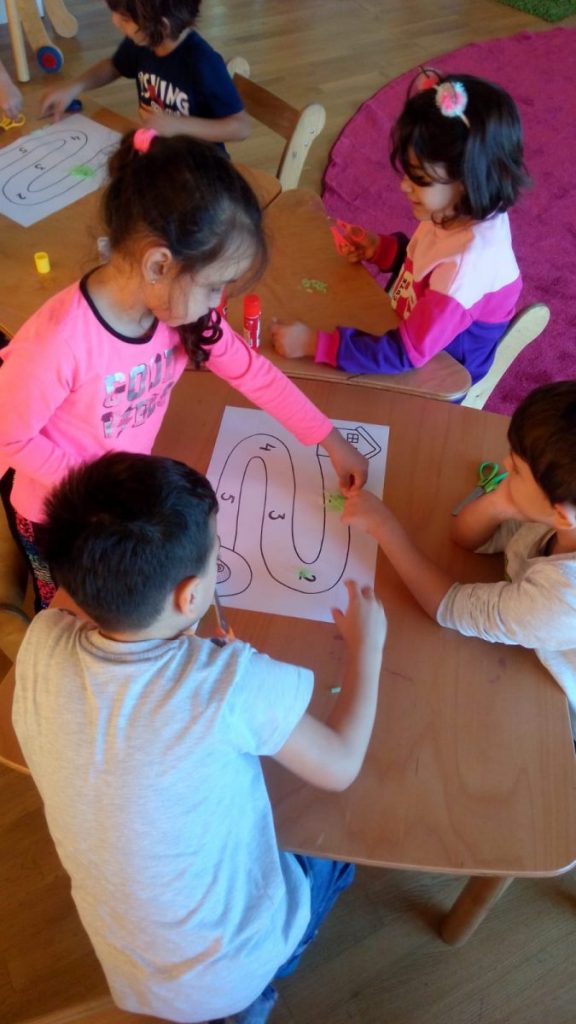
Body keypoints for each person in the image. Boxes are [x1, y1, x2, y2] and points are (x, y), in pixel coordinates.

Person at [12, 450, 387, 1023]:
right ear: (190, 596)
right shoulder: (229, 683)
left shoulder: (41, 641)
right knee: (336, 847)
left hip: (133, 973)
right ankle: (253, 999)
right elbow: (340, 765)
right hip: (231, 971)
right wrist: (368, 649)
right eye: (217, 555)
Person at [0, 130, 366, 610]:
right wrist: (105, 485)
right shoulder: (59, 341)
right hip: (58, 514)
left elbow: (253, 373)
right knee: (68, 614)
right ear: (158, 265)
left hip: (121, 504)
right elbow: (8, 438)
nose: (217, 304)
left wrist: (330, 439)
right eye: (214, 287)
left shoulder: (181, 312)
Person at [342, 381, 576, 735]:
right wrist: (499, 502)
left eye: (516, 468)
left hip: (553, 706)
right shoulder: (556, 514)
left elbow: (448, 607)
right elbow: (467, 539)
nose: (504, 463)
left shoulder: (559, 601)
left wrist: (384, 527)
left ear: (560, 514)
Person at [271, 69, 529, 386]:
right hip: (411, 328)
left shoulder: (467, 266)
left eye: (418, 177)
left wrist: (314, 344)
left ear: (467, 179)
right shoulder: (457, 208)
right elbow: (426, 266)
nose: (405, 185)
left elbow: (402, 355)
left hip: (441, 377)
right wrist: (381, 249)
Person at [40, 0, 250, 148]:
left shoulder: (203, 62)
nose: (115, 21)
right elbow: (114, 66)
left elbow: (240, 127)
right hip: (159, 153)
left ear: (162, 26)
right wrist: (75, 86)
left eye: (125, 18)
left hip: (199, 167)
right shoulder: (146, 40)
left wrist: (180, 125)